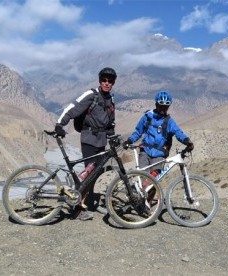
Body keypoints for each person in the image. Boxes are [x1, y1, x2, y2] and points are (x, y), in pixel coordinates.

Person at [54, 67, 117, 221]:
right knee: (88, 173)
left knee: (95, 173)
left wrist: (111, 133)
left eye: (110, 81)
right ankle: (76, 208)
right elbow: (72, 107)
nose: (107, 83)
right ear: (100, 80)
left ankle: (87, 203)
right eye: (104, 80)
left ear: (113, 83)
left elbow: (110, 120)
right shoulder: (91, 95)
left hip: (101, 140)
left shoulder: (110, 99)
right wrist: (59, 124)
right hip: (89, 138)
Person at [123, 91, 194, 182]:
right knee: (143, 179)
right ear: (156, 104)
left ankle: (150, 195)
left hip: (159, 154)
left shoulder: (169, 122)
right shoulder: (148, 117)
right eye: (161, 106)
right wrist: (129, 141)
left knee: (153, 179)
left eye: (165, 107)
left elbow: (178, 132)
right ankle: (141, 194)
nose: (163, 109)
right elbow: (138, 132)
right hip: (145, 151)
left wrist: (187, 141)